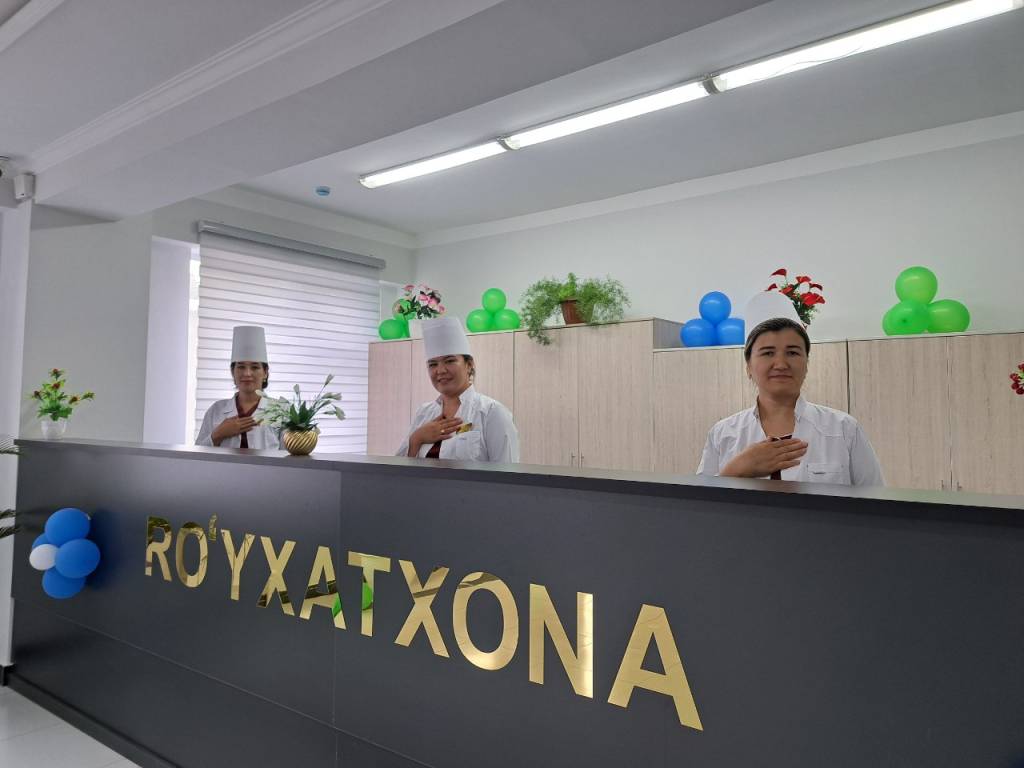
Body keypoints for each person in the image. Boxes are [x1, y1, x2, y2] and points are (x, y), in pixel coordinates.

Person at [697, 292, 883, 486]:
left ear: (806, 363)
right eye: (768, 353)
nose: (781, 364)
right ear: (748, 366)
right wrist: (735, 470)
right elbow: (697, 501)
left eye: (792, 352)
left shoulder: (844, 429)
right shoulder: (723, 434)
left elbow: (877, 499)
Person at [398, 316, 519, 462]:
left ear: (469, 365)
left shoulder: (491, 413)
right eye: (433, 364)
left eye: (449, 361)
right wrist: (417, 438)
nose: (440, 370)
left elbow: (507, 471)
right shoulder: (423, 413)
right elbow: (397, 470)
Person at [196, 325, 283, 449]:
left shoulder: (281, 412)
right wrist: (218, 434)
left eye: (255, 367)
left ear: (265, 372)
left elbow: (292, 457)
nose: (247, 373)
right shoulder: (216, 410)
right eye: (241, 367)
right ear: (233, 372)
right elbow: (197, 455)